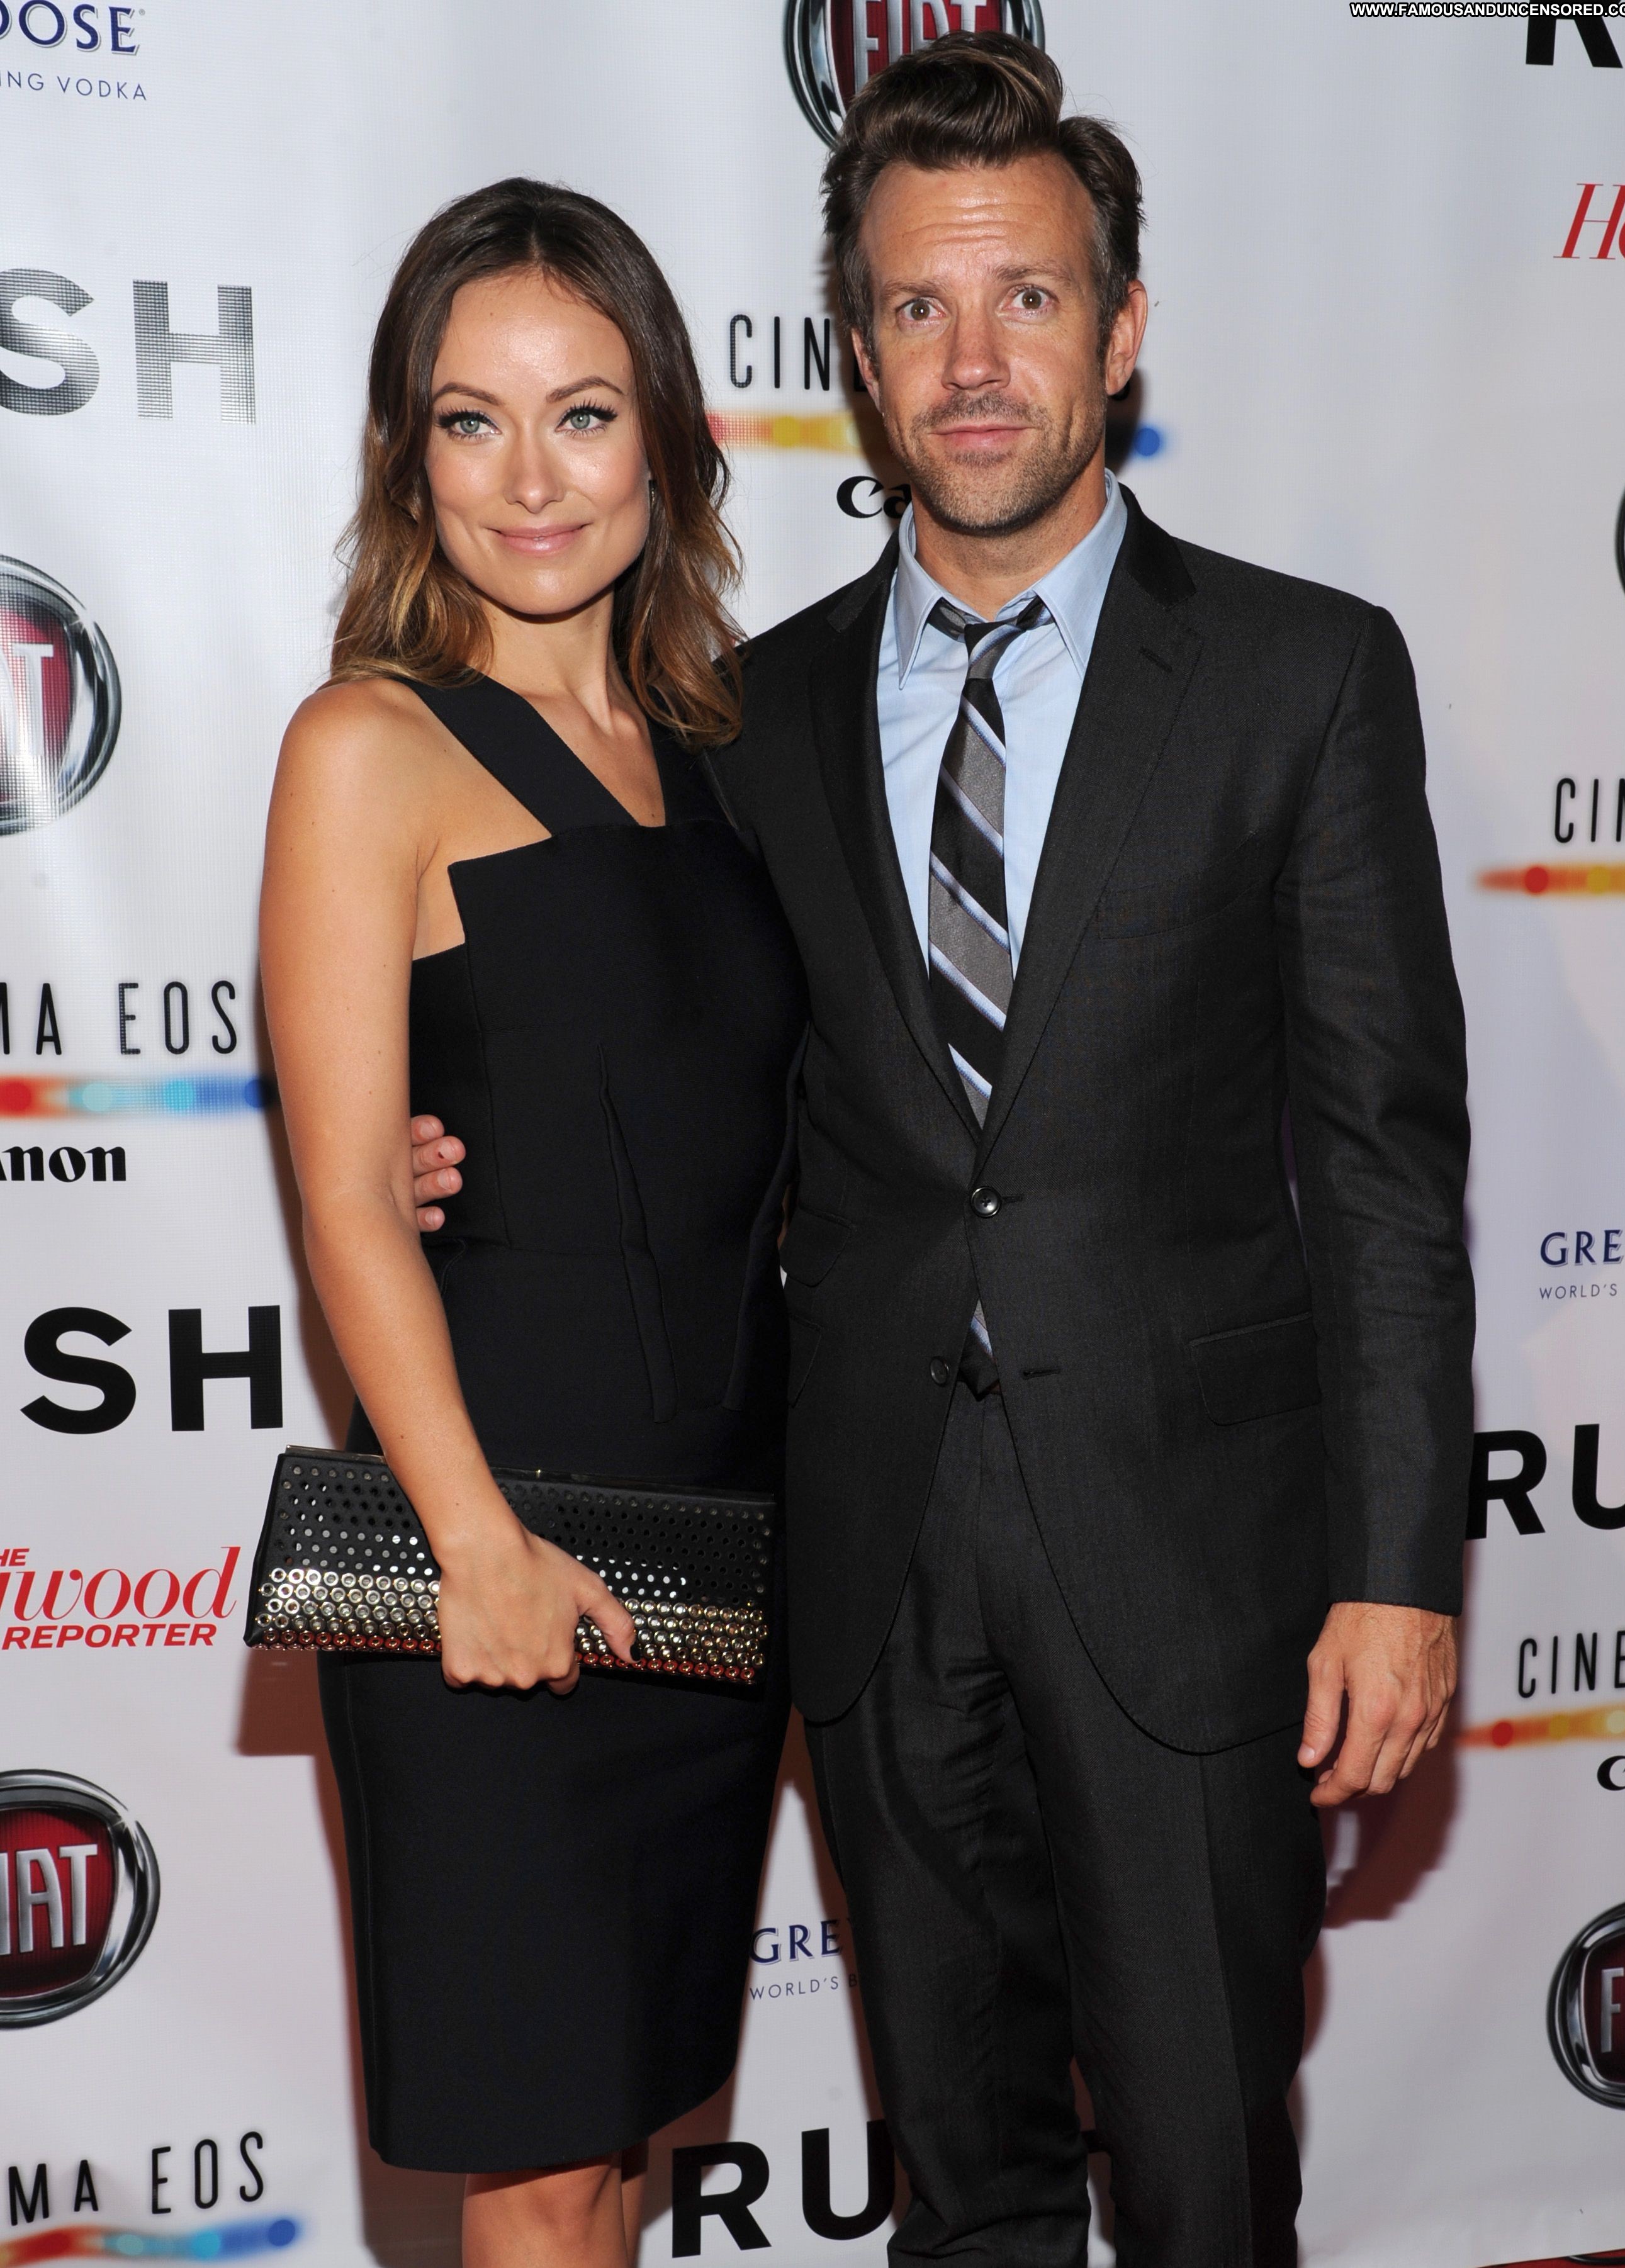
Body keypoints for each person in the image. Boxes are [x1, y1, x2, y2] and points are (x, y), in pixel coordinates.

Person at [412, 34, 1474, 2268]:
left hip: (1195, 1566)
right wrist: (448, 1148)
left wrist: (1401, 1569)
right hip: (874, 1558)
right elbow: (661, 1053)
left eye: (1026, 297)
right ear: (860, 355)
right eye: (917, 306)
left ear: (1123, 327)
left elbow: (1388, 1162)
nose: (973, 361)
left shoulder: (1301, 676)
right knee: (961, 2187)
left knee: (1202, 2176)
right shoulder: (745, 715)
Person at [261, 179, 803, 2268]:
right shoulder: (369, 746)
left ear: (663, 435)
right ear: (410, 458)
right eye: (469, 422)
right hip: (494, 1546)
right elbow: (346, 1195)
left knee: (620, 2144)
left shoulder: (722, 757)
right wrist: (475, 1543)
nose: (531, 478)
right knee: (544, 2162)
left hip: (712, 1555)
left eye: (582, 413)